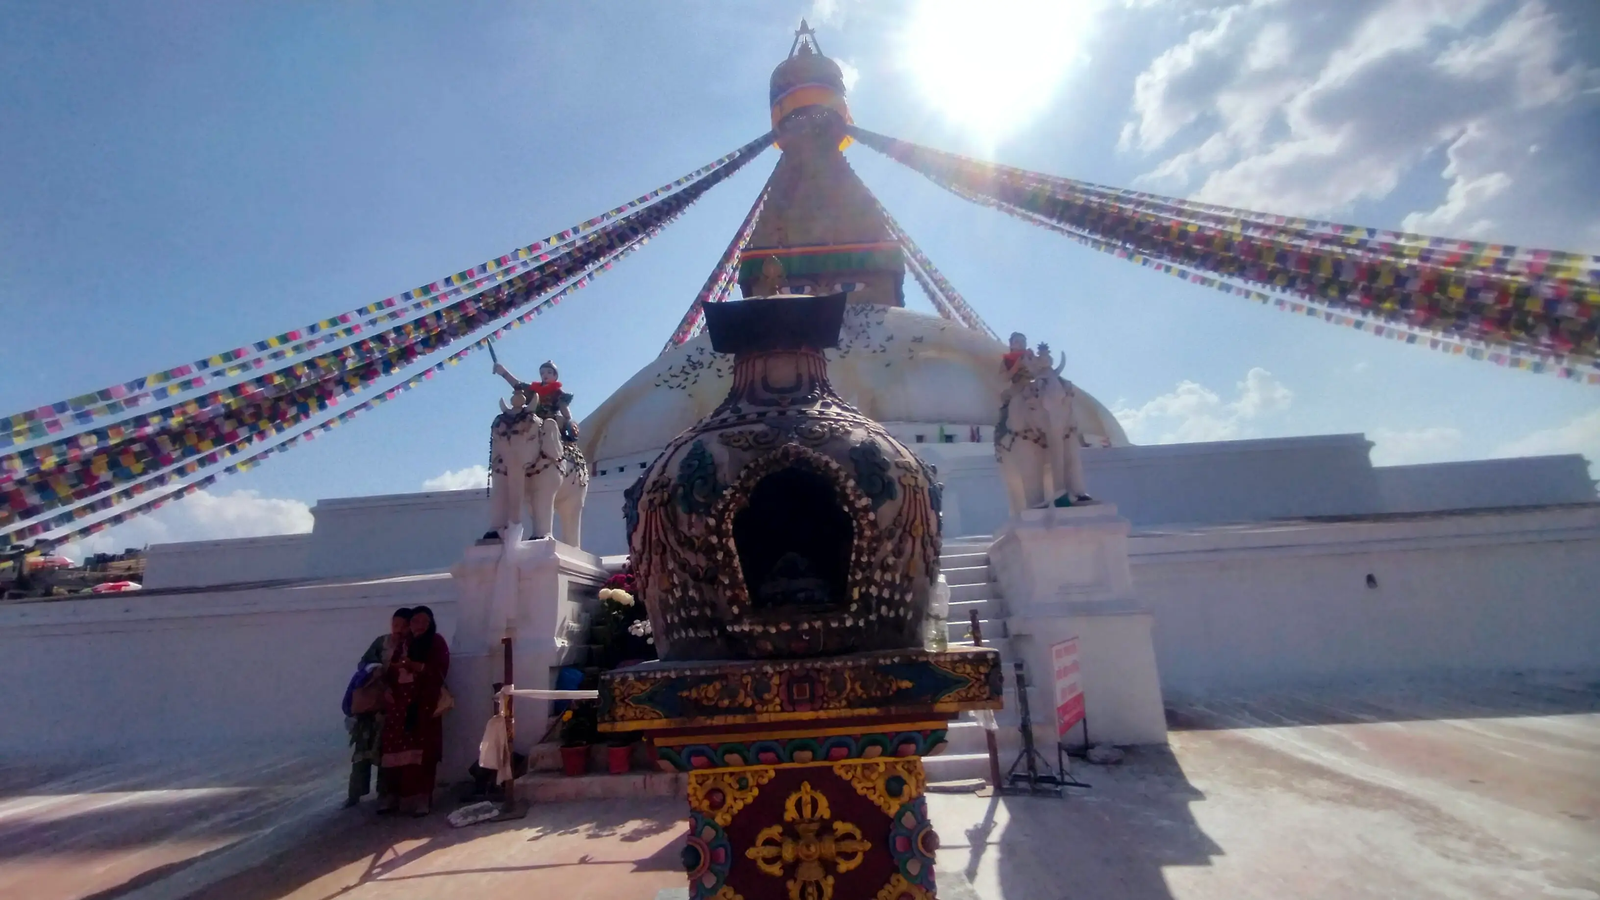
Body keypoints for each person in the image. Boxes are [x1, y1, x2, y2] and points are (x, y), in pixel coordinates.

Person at [378, 604, 451, 816]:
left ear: (430, 624)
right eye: (415, 622)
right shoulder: (403, 644)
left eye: (423, 622)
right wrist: (388, 687)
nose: (419, 626)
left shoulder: (436, 643)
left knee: (423, 753)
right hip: (399, 707)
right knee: (394, 752)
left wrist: (415, 666)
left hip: (422, 706)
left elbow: (440, 670)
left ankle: (423, 799)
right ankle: (394, 797)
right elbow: (390, 671)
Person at [342, 608, 410, 808]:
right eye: (395, 625)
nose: (398, 630)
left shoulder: (411, 646)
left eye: (403, 626)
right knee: (361, 752)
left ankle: (384, 793)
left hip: (394, 708)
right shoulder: (382, 642)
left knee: (386, 753)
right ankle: (354, 794)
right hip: (372, 707)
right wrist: (376, 670)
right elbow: (364, 663)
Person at [493, 360, 578, 441]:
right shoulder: (534, 389)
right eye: (542, 373)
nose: (545, 375)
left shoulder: (558, 393)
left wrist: (569, 422)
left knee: (555, 423)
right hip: (535, 419)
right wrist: (504, 372)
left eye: (549, 372)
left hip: (552, 420)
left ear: (555, 376)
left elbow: (564, 409)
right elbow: (517, 384)